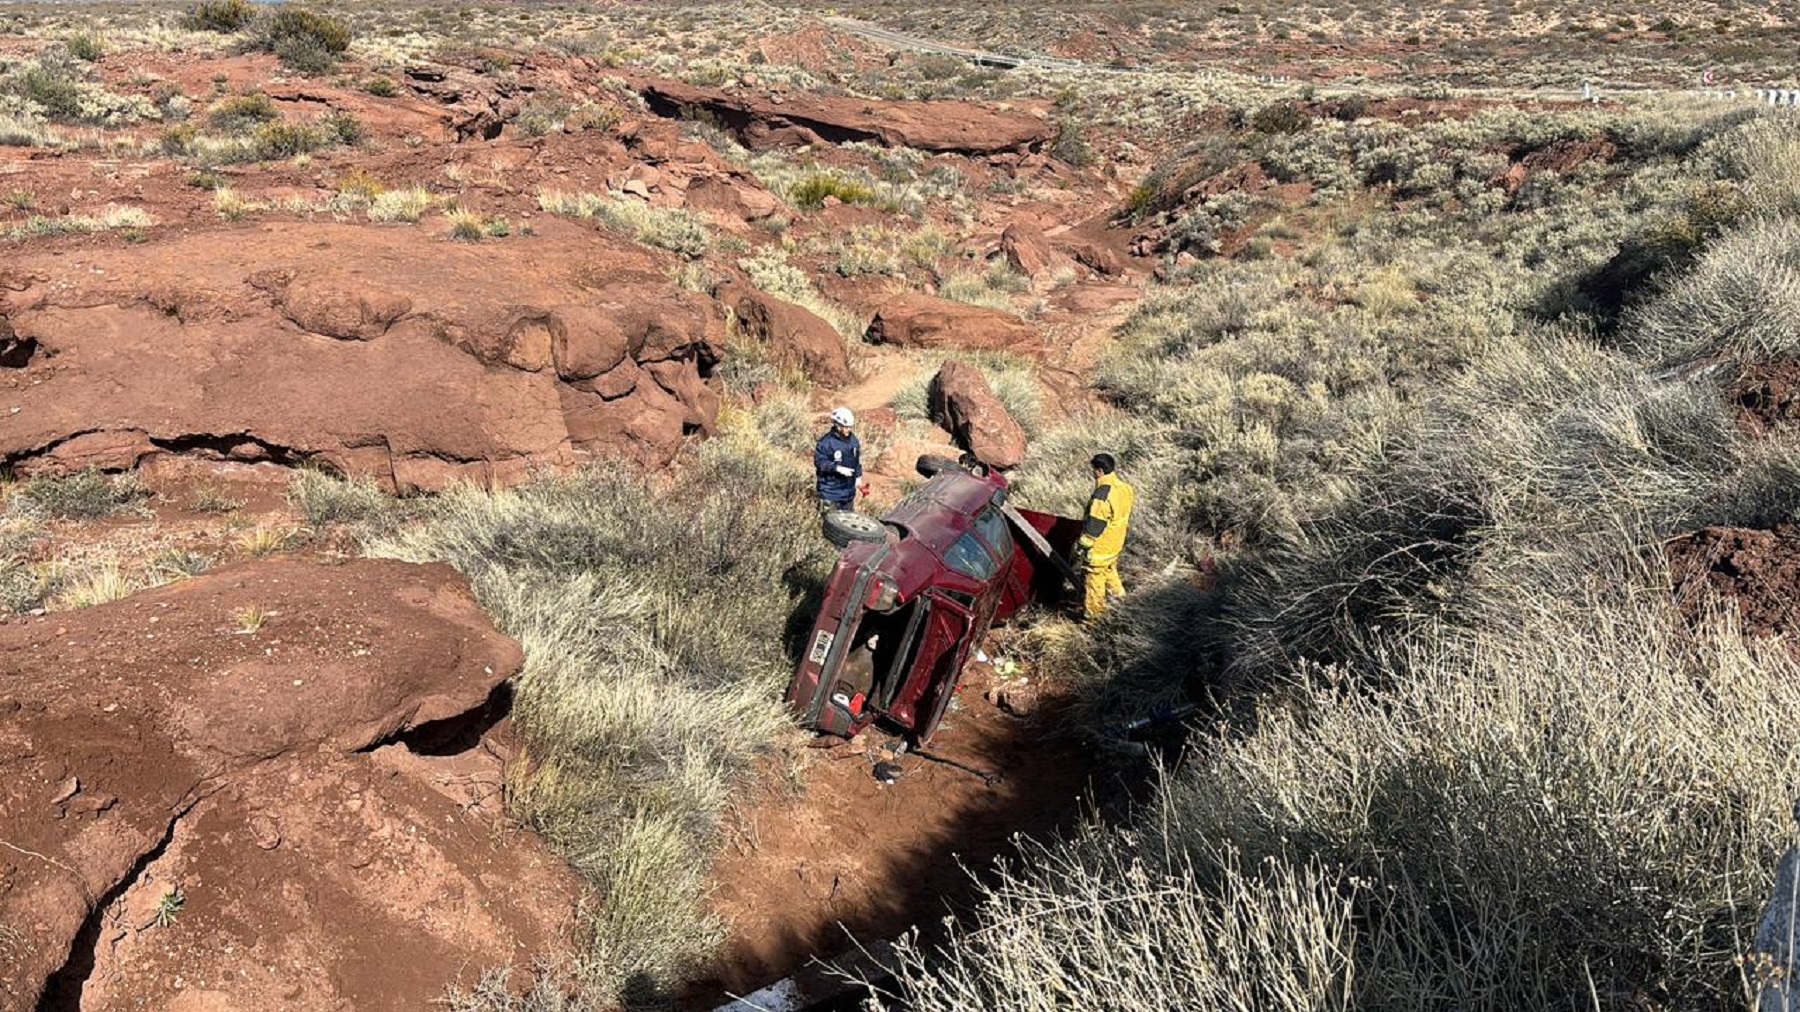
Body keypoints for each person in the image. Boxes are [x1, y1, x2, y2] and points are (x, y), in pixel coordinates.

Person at [1076, 452, 1135, 619]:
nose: (1093, 474)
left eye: (1093, 470)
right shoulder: (1125, 488)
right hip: (1116, 543)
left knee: (1094, 579)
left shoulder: (1102, 495)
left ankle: (1094, 618)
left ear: (1100, 471)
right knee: (1110, 570)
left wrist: (1082, 545)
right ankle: (1121, 600)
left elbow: (1095, 524)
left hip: (1100, 547)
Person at [814, 406, 865, 511]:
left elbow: (856, 460)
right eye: (845, 427)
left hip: (848, 495)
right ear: (837, 425)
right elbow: (820, 462)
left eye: (850, 427)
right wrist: (837, 468)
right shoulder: (826, 443)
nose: (848, 430)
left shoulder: (853, 441)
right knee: (830, 524)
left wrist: (858, 477)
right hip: (830, 493)